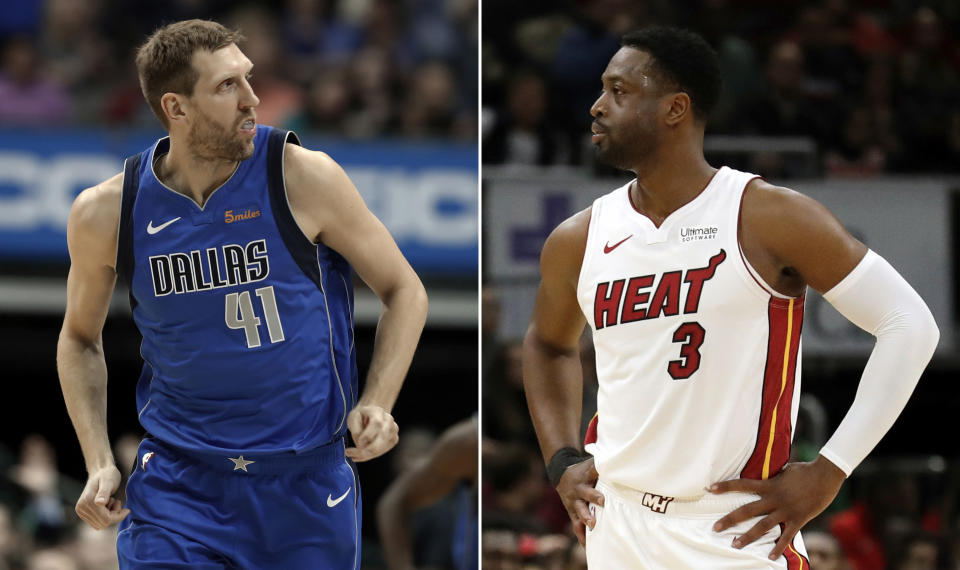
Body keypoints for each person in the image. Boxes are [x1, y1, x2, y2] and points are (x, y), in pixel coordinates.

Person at [522, 26, 939, 568]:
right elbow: (547, 344)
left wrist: (830, 469)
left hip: (731, 528)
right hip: (616, 522)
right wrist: (560, 460)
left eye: (619, 91)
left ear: (675, 108)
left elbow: (909, 323)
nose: (598, 107)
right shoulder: (578, 237)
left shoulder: (767, 215)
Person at [56, 19, 428, 568]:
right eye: (227, 86)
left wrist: (377, 400)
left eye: (248, 79)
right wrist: (98, 460)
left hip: (305, 483)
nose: (253, 99)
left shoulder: (302, 176)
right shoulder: (105, 212)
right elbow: (78, 338)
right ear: (176, 108)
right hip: (178, 486)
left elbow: (405, 289)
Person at [377, 416, 478, 570]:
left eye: (415, 454)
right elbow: (392, 502)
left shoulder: (442, 511)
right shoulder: (468, 441)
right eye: (406, 453)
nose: (408, 462)